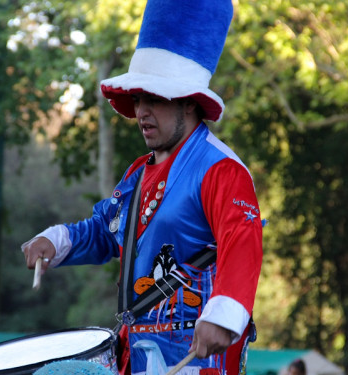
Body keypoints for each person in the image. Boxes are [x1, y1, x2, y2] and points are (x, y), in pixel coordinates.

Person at [20, 1, 264, 375]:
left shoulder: (222, 170)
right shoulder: (138, 172)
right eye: (137, 99)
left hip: (197, 361)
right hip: (138, 355)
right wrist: (55, 241)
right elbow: (105, 231)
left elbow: (241, 244)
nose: (141, 112)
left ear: (187, 102)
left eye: (154, 99)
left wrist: (225, 314)